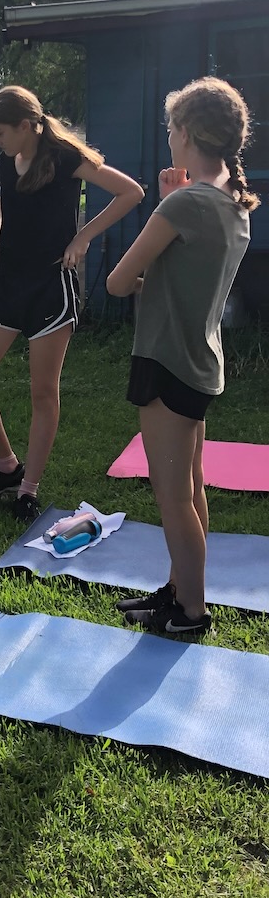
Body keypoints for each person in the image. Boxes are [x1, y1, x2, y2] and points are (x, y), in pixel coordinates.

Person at [106, 77, 258, 637]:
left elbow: (120, 281)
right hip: (197, 358)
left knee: (174, 497)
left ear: (188, 132)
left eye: (171, 128)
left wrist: (168, 203)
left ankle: (192, 612)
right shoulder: (227, 201)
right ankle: (178, 590)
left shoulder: (189, 203)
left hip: (167, 358)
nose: (167, 137)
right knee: (190, 489)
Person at [0, 85, 144, 522]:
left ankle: (28, 489)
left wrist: (82, 237)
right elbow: (7, 198)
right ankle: (6, 467)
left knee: (43, 392)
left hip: (49, 289)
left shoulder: (63, 156)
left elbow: (130, 192)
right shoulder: (8, 155)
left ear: (26, 126)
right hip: (7, 285)